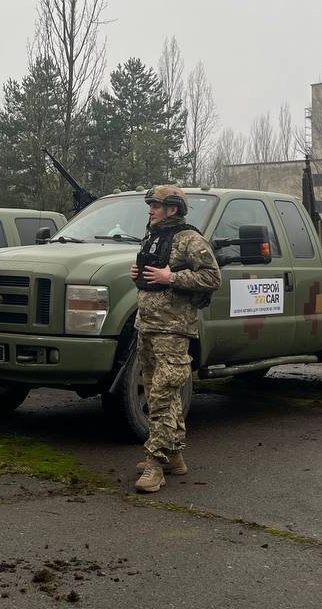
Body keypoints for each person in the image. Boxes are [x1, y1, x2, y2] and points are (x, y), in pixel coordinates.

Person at [128, 185, 220, 493]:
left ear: (172, 208)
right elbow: (152, 278)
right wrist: (138, 275)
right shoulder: (153, 236)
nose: (150, 210)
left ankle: (156, 463)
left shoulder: (190, 239)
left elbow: (212, 277)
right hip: (147, 326)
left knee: (162, 395)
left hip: (173, 330)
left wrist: (172, 277)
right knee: (157, 390)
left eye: (155, 205)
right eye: (150, 205)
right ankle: (174, 455)